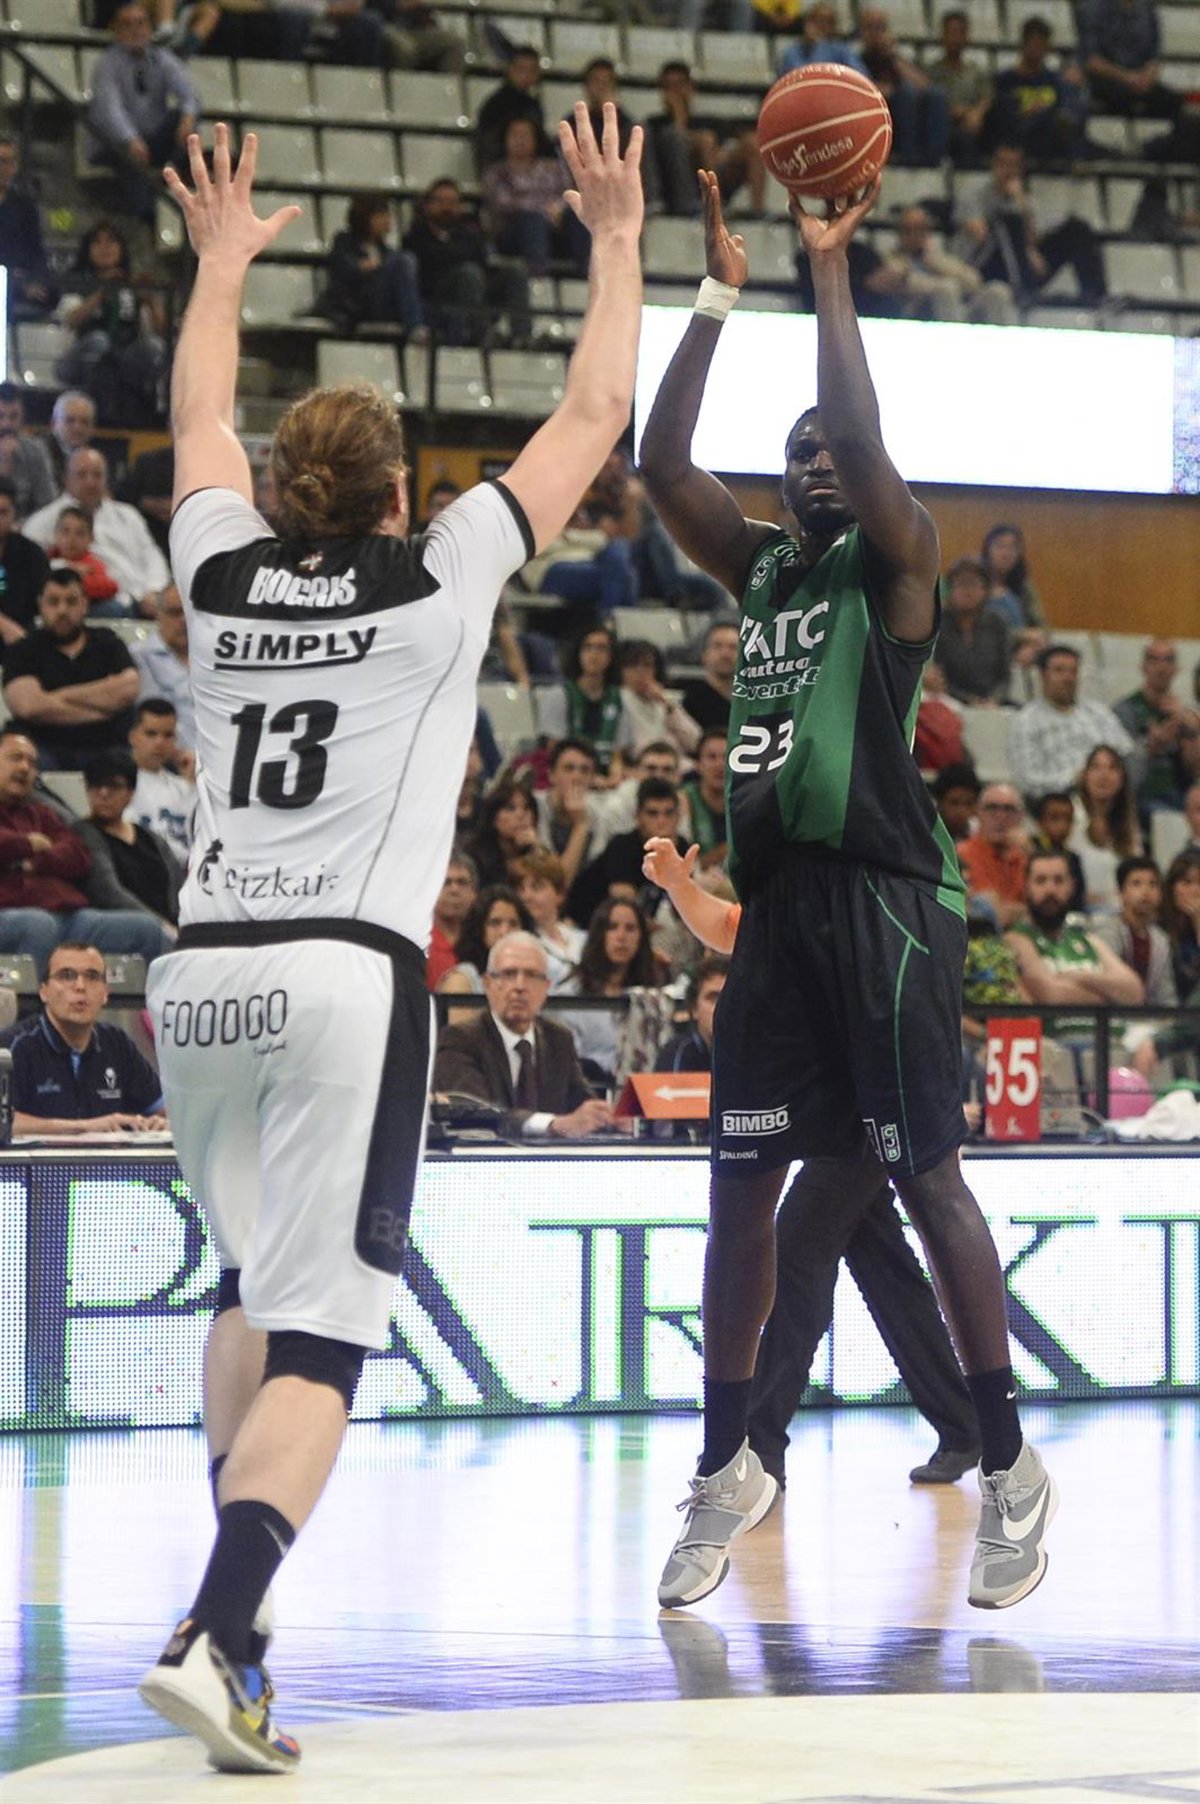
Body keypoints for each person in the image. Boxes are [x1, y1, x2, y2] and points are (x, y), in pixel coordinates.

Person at [135, 106, 644, 1772]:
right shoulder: (440, 573)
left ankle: (237, 1628)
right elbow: (592, 413)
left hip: (199, 970)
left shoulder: (217, 564)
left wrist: (220, 262)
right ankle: (218, 1627)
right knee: (328, 1335)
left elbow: (195, 412)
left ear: (280, 489)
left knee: (246, 1285)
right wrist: (616, 239)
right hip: (344, 972)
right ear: (401, 492)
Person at [639, 167, 1055, 1614]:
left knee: (928, 1181)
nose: (820, 460)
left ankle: (1009, 1462)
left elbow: (864, 435)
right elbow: (659, 461)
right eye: (798, 452)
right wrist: (714, 293)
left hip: (887, 900)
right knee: (739, 1194)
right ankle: (728, 1463)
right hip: (779, 912)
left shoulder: (902, 564)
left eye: (835, 450)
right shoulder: (762, 572)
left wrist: (828, 267)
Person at [643, 836, 981, 1485]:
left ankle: (758, 1443)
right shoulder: (794, 897)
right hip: (826, 1111)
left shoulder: (873, 899)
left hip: (869, 1108)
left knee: (795, 1246)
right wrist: (680, 888)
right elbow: (730, 928)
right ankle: (964, 1424)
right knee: (883, 1263)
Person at [0, 726, 167, 968]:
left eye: (32, 762)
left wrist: (34, 860)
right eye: (16, 758)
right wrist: (28, 843)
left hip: (68, 917)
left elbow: (78, 856)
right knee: (38, 926)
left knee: (145, 929)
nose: (25, 768)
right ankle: (42, 994)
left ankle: (147, 998)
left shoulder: (42, 813)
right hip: (14, 915)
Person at [433, 930, 612, 1137]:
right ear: (488, 984)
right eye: (509, 974)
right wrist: (552, 1124)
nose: (520, 986)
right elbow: (475, 1111)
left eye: (532, 976)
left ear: (546, 988)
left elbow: (583, 1105)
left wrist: (610, 1118)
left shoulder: (559, 1039)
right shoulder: (460, 1039)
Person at [7, 938, 165, 1136]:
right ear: (44, 991)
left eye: (92, 976)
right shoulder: (14, 1046)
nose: (80, 986)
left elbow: (164, 1109)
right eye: (67, 975)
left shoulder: (117, 1043)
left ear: (105, 993)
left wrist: (161, 1122)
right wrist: (85, 1127)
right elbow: (4, 1122)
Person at [2, 567, 139, 770]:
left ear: (85, 604)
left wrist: (54, 697)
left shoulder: (107, 642)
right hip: (44, 750)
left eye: (71, 601)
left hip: (106, 748)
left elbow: (128, 689)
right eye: (53, 602)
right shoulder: (24, 649)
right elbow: (29, 706)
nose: (62, 610)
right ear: (40, 604)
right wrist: (103, 709)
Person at [23, 448, 172, 617]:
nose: (90, 482)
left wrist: (153, 590)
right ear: (66, 479)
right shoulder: (42, 522)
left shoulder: (127, 515)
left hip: (140, 602)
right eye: (82, 475)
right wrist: (63, 566)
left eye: (97, 475)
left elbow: (152, 557)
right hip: (84, 607)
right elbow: (27, 566)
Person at [86, 1, 200, 224]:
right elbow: (109, 109)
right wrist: (131, 139)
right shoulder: (107, 64)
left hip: (152, 139)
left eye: (140, 23)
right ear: (116, 30)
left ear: (150, 27)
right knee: (130, 155)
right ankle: (146, 217)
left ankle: (179, 184)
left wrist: (188, 117)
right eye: (127, 24)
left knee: (186, 120)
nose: (135, 30)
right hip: (115, 143)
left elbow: (190, 94)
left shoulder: (162, 58)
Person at [958, 145, 1106, 307]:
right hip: (984, 266)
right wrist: (1026, 249)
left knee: (1077, 229)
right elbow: (981, 236)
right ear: (994, 165)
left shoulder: (1023, 198)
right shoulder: (973, 195)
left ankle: (1095, 297)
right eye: (1003, 164)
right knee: (1008, 222)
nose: (1008, 171)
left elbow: (1034, 237)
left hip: (1023, 264)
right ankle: (1022, 291)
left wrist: (1021, 204)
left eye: (1014, 165)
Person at [56, 218, 167, 427]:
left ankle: (144, 412)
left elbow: (162, 332)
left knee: (153, 348)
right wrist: (102, 292)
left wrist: (150, 300)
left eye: (111, 241)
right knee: (99, 341)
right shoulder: (78, 281)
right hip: (79, 357)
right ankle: (96, 410)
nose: (105, 248)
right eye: (97, 242)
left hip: (125, 354)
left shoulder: (131, 284)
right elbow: (70, 320)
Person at [1004, 849, 1144, 1008]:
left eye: (1059, 880)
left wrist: (1078, 977)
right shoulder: (1016, 940)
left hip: (1103, 1024)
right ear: (1027, 887)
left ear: (1071, 886)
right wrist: (1109, 999)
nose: (1050, 890)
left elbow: (1134, 992)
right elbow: (1053, 996)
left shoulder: (1089, 940)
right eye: (1040, 881)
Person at [402, 179, 530, 348]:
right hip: (439, 299)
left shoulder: (470, 234)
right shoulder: (415, 236)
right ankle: (481, 334)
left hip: (476, 292)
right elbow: (430, 268)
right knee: (469, 272)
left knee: (515, 269)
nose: (447, 208)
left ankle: (522, 337)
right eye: (441, 202)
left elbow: (483, 263)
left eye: (452, 203)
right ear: (427, 205)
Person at [1008, 643, 1142, 804]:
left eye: (1073, 671)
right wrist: (1077, 779)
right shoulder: (1026, 721)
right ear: (1043, 676)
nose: (1068, 678)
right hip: (1059, 803)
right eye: (1059, 671)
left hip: (1108, 799)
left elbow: (1125, 754)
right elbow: (1027, 781)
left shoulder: (1099, 713)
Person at [558, 894, 660, 1084]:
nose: (621, 937)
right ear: (599, 935)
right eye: (612, 927)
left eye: (630, 929)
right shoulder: (571, 993)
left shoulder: (653, 993)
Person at [646, 63, 765, 221]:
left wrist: (722, 152)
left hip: (717, 173)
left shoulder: (707, 121)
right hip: (678, 187)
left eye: (680, 85)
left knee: (752, 143)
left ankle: (757, 213)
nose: (676, 92)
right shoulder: (655, 124)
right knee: (705, 140)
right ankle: (714, 206)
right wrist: (679, 115)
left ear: (690, 88)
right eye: (669, 87)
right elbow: (674, 147)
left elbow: (729, 143)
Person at [78, 750, 182, 929]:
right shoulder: (84, 834)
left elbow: (177, 886)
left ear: (130, 792)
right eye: (96, 785)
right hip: (122, 927)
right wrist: (161, 926)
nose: (103, 793)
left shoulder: (151, 838)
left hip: (171, 925)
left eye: (114, 786)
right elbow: (108, 892)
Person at [568, 774, 688, 926]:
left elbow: (684, 904)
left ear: (678, 816)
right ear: (638, 816)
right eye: (652, 814)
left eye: (668, 813)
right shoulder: (622, 847)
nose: (661, 821)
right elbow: (624, 905)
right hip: (587, 923)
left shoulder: (682, 848)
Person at [873, 208, 1017, 327]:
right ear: (899, 233)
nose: (915, 235)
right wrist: (946, 284)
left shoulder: (939, 258)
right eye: (908, 230)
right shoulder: (891, 260)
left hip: (959, 312)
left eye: (920, 229)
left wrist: (934, 264)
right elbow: (907, 284)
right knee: (945, 288)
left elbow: (974, 282)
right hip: (916, 315)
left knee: (997, 291)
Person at [1129, 850, 1200, 1081]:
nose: (1194, 890)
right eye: (1186, 882)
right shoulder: (1157, 933)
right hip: (1165, 1014)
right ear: (1171, 888)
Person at [1113, 639, 1200, 818]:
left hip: (1181, 793)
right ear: (1143, 667)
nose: (1162, 668)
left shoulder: (1184, 713)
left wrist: (1191, 732)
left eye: (1168, 660)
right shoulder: (1125, 710)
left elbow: (1195, 769)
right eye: (1154, 660)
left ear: (1176, 669)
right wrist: (1153, 745)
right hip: (1141, 794)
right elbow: (1121, 768)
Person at [855, 8, 950, 166]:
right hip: (878, 111)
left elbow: (924, 86)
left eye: (880, 28)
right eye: (870, 27)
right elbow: (860, 87)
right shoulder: (857, 59)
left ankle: (934, 161)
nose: (876, 33)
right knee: (906, 95)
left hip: (908, 105)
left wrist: (892, 56)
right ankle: (908, 159)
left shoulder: (895, 60)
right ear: (861, 32)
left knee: (936, 97)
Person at [987, 17, 1090, 162]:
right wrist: (1029, 112)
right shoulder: (1005, 80)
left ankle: (1078, 160)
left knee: (1071, 91)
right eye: (1034, 44)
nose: (1037, 50)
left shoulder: (1055, 80)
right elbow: (1001, 117)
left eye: (1042, 45)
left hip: (1050, 138)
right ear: (1023, 44)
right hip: (1019, 138)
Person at [482, 118, 575, 276]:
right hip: (513, 231)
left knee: (578, 220)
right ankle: (538, 280)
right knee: (533, 221)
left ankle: (588, 276)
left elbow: (569, 195)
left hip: (554, 228)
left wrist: (560, 208)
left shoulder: (553, 168)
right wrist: (545, 211)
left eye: (525, 135)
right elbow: (503, 204)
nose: (520, 140)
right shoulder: (497, 172)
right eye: (515, 135)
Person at [323, 194, 424, 336]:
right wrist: (363, 268)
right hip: (357, 304)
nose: (387, 220)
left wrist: (375, 267)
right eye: (381, 215)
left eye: (388, 215)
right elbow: (344, 269)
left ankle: (417, 326)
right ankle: (414, 327)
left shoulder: (387, 252)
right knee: (404, 260)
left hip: (384, 303)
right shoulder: (344, 242)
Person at [536, 627, 629, 774]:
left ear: (611, 656)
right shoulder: (559, 695)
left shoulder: (618, 698)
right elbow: (553, 749)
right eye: (588, 647)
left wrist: (614, 777)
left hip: (605, 774)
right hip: (569, 772)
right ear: (578, 653)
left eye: (601, 648)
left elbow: (618, 754)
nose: (594, 654)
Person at [1077, 0, 1186, 123]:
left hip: (1139, 78)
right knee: (1123, 98)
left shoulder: (1147, 8)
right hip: (1105, 78)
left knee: (1173, 101)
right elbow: (1090, 60)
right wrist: (1126, 77)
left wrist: (1147, 77)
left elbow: (1154, 54)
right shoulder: (1092, 8)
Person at [1092, 855, 1177, 1006]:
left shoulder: (1161, 940)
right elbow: (1105, 982)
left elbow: (1166, 994)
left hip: (1151, 1017)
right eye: (1136, 883)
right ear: (1120, 892)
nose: (1146, 891)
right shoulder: (1107, 931)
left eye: (1153, 884)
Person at [1069, 743, 1142, 914]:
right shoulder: (1069, 814)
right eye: (1096, 767)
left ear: (1122, 778)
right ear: (1084, 775)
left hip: (1120, 912)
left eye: (1112, 768)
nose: (1104, 775)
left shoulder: (1130, 825)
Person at [127, 697, 196, 868]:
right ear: (133, 737)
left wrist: (193, 786)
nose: (160, 742)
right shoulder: (119, 784)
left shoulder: (184, 787)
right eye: (151, 734)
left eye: (168, 735)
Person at [934, 558, 1013, 704]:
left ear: (985, 590)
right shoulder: (937, 623)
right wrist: (968, 700)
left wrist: (995, 699)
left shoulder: (998, 622)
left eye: (974, 584)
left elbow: (1005, 676)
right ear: (949, 589)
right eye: (961, 584)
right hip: (950, 701)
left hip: (993, 704)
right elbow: (937, 676)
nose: (967, 591)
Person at [131, 585, 196, 751]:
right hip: (168, 753)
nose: (183, 620)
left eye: (190, 613)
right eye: (175, 612)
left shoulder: (213, 659)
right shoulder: (139, 655)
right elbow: (152, 716)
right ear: (158, 614)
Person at [435, 883, 531, 993]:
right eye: (495, 923)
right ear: (479, 929)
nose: (505, 931)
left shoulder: (535, 977)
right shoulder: (462, 980)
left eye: (513, 924)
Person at [956, 782, 1029, 928]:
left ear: (1021, 816)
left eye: (1009, 809)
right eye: (992, 808)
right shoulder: (961, 855)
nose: (1001, 816)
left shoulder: (1028, 856)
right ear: (977, 813)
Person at [925, 10, 992, 167]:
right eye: (950, 32)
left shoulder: (976, 72)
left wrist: (976, 113)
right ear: (942, 35)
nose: (954, 38)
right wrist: (956, 112)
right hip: (941, 126)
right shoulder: (931, 72)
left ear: (967, 37)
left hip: (970, 128)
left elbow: (987, 98)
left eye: (959, 33)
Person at [0, 136, 56, 324]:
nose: (2, 168)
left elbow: (35, 250)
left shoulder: (24, 207)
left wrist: (34, 280)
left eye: (7, 162)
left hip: (15, 279)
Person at [617, 638, 701, 760]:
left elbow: (696, 742)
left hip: (678, 764)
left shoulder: (663, 702)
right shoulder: (620, 699)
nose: (640, 671)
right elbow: (639, 748)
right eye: (633, 665)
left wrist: (667, 705)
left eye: (647, 665)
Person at [475, 45, 551, 175]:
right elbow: (486, 144)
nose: (526, 75)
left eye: (532, 70)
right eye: (521, 69)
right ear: (510, 70)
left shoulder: (534, 105)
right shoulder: (494, 105)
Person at [513, 849, 585, 977]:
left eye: (537, 887)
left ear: (559, 894)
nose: (526, 896)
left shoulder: (582, 939)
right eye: (521, 889)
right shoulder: (517, 944)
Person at [0, 478, 51, 653]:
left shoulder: (31, 554)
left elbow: (44, 600)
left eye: (3, 512)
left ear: (14, 514)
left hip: (23, 636)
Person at [466, 777, 542, 889]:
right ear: (493, 819)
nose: (521, 815)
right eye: (510, 808)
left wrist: (536, 850)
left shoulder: (534, 849)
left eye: (526, 808)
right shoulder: (474, 857)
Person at [47, 505, 122, 611]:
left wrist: (75, 581)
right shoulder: (45, 557)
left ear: (91, 538)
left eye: (80, 533)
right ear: (55, 534)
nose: (71, 539)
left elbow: (111, 586)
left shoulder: (91, 564)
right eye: (65, 531)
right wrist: (65, 566)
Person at [0, 383, 57, 519]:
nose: (6, 424)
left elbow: (47, 503)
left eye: (14, 417)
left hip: (27, 525)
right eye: (0, 416)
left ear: (23, 417)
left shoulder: (36, 450)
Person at [426, 849, 478, 989]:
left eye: (462, 882)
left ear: (474, 893)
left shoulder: (483, 940)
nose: (454, 890)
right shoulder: (421, 943)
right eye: (446, 882)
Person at [679, 726, 728, 869]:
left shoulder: (746, 799)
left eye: (726, 757)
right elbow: (684, 864)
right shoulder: (684, 800)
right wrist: (726, 850)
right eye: (712, 757)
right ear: (698, 764)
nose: (720, 765)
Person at [1029, 790, 1086, 913]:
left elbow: (1078, 901)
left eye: (1068, 819)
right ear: (1040, 821)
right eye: (1054, 818)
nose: (1062, 825)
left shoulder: (1073, 859)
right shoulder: (1029, 850)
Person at [778, 3, 868, 77]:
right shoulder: (792, 52)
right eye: (818, 20)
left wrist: (819, 45)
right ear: (807, 22)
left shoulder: (843, 51)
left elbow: (860, 76)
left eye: (828, 22)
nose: (822, 25)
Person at [679, 621, 737, 733]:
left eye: (733, 647)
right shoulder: (691, 702)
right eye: (717, 646)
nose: (725, 654)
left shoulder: (752, 702)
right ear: (704, 655)